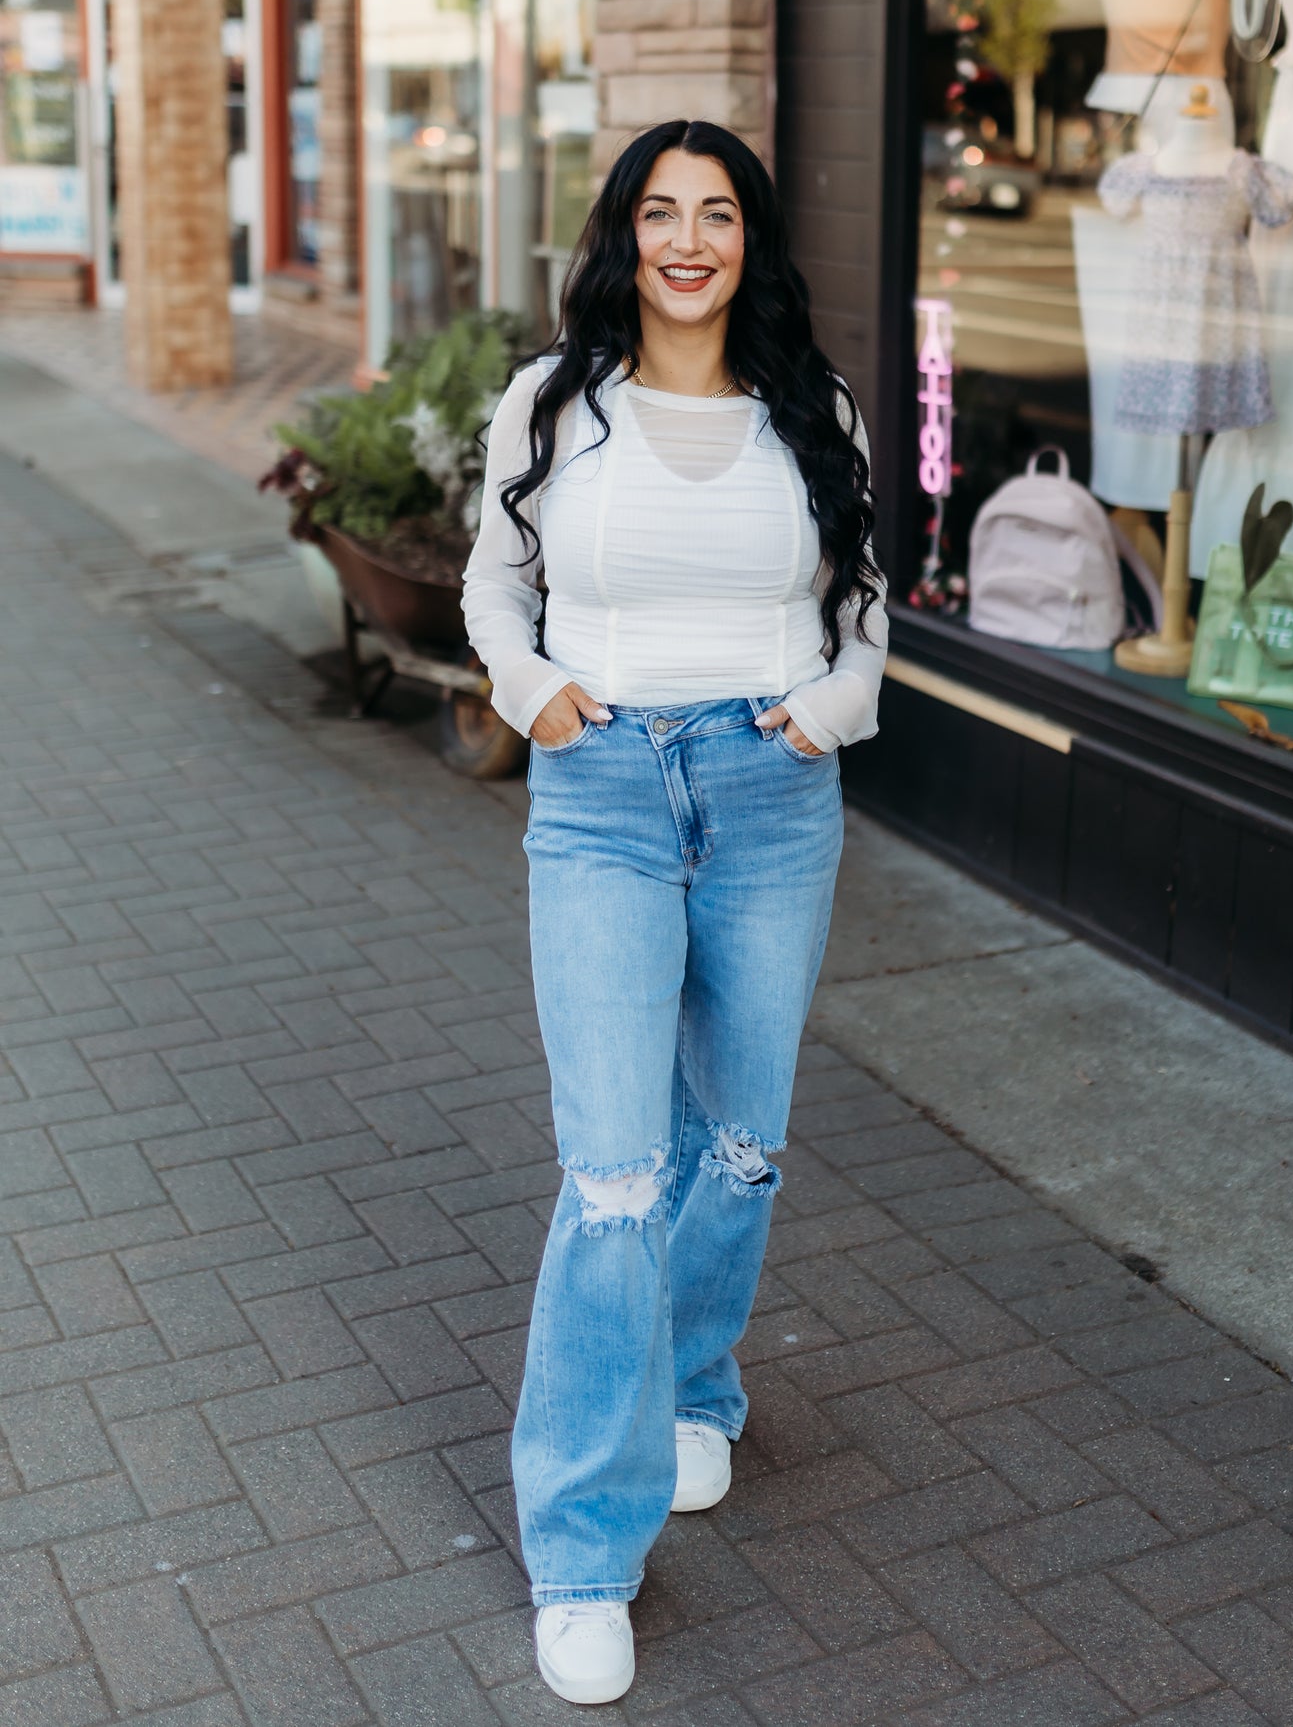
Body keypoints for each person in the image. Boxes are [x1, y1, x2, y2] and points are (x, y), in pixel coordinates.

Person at [462, 118, 887, 1705]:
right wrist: (534, 691)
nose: (689, 239)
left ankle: (698, 1381)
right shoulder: (552, 406)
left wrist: (827, 711)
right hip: (604, 798)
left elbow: (858, 611)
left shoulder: (811, 412)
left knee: (744, 1138)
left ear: (747, 241)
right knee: (618, 1174)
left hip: (772, 792)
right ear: (625, 237)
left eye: (717, 214)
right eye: (662, 212)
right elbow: (493, 585)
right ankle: (582, 1553)